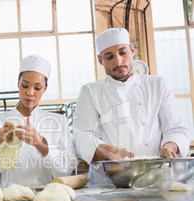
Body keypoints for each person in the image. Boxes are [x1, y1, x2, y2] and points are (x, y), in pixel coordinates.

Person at [72, 28, 190, 185]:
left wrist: (170, 146)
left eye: (123, 52)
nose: (118, 61)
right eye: (109, 57)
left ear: (132, 50)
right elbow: (82, 137)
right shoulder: (91, 91)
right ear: (100, 60)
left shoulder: (157, 84)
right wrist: (111, 153)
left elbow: (176, 129)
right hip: (110, 182)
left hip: (155, 178)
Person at [0, 55, 77, 187]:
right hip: (6, 199)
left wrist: (42, 145)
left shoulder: (57, 122)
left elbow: (67, 170)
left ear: (45, 89)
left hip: (44, 198)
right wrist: (0, 145)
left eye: (37, 88)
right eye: (25, 85)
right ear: (18, 84)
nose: (30, 92)